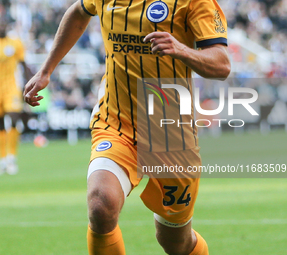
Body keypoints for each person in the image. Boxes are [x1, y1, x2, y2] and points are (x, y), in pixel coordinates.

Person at [24, 0, 230, 254]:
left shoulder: (194, 2)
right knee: (101, 204)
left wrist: (181, 50)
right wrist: (46, 70)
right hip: (117, 122)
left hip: (171, 132)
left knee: (175, 242)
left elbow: (222, 64)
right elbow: (78, 13)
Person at [0, 18, 31, 176]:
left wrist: (30, 83)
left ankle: (12, 158)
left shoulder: (15, 43)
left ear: (7, 27)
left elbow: (23, 64)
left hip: (11, 87)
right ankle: (2, 161)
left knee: (14, 117)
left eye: (4, 25)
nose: (1, 27)